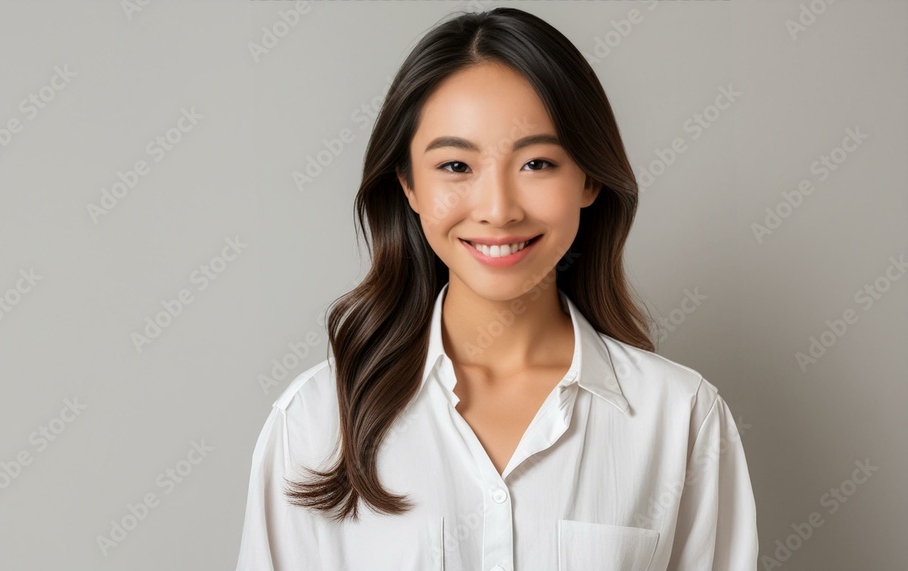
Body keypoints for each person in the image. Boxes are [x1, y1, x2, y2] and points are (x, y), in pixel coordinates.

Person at [237, 7, 758, 570]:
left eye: (536, 162)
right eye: (456, 166)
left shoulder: (680, 418)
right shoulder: (314, 423)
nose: (498, 210)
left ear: (588, 178)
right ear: (408, 186)